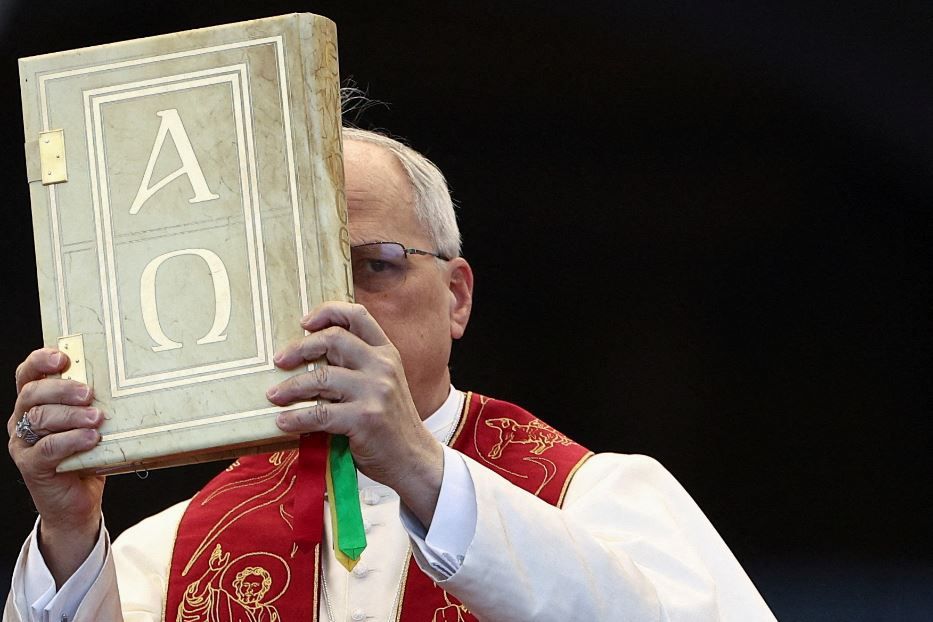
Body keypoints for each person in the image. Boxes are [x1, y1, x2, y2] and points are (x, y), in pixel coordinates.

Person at [5, 127, 777, 621]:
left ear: (457, 296)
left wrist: (416, 466)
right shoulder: (175, 549)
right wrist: (69, 533)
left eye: (373, 266)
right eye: (293, 281)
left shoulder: (600, 499)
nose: (335, 308)